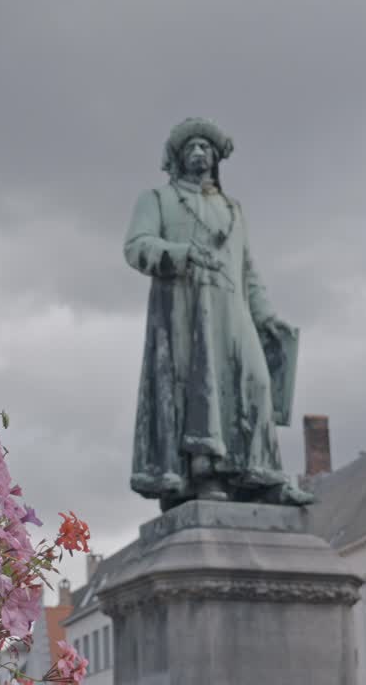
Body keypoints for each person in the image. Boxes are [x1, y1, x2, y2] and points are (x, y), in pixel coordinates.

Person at [123, 117, 313, 510]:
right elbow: (136, 246)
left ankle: (262, 475)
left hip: (233, 309)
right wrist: (178, 255)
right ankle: (206, 472)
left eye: (204, 147)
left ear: (214, 157)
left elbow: (248, 270)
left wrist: (266, 317)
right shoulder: (157, 199)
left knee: (257, 383)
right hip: (185, 312)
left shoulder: (232, 208)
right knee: (201, 389)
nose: (198, 153)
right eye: (190, 147)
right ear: (178, 157)